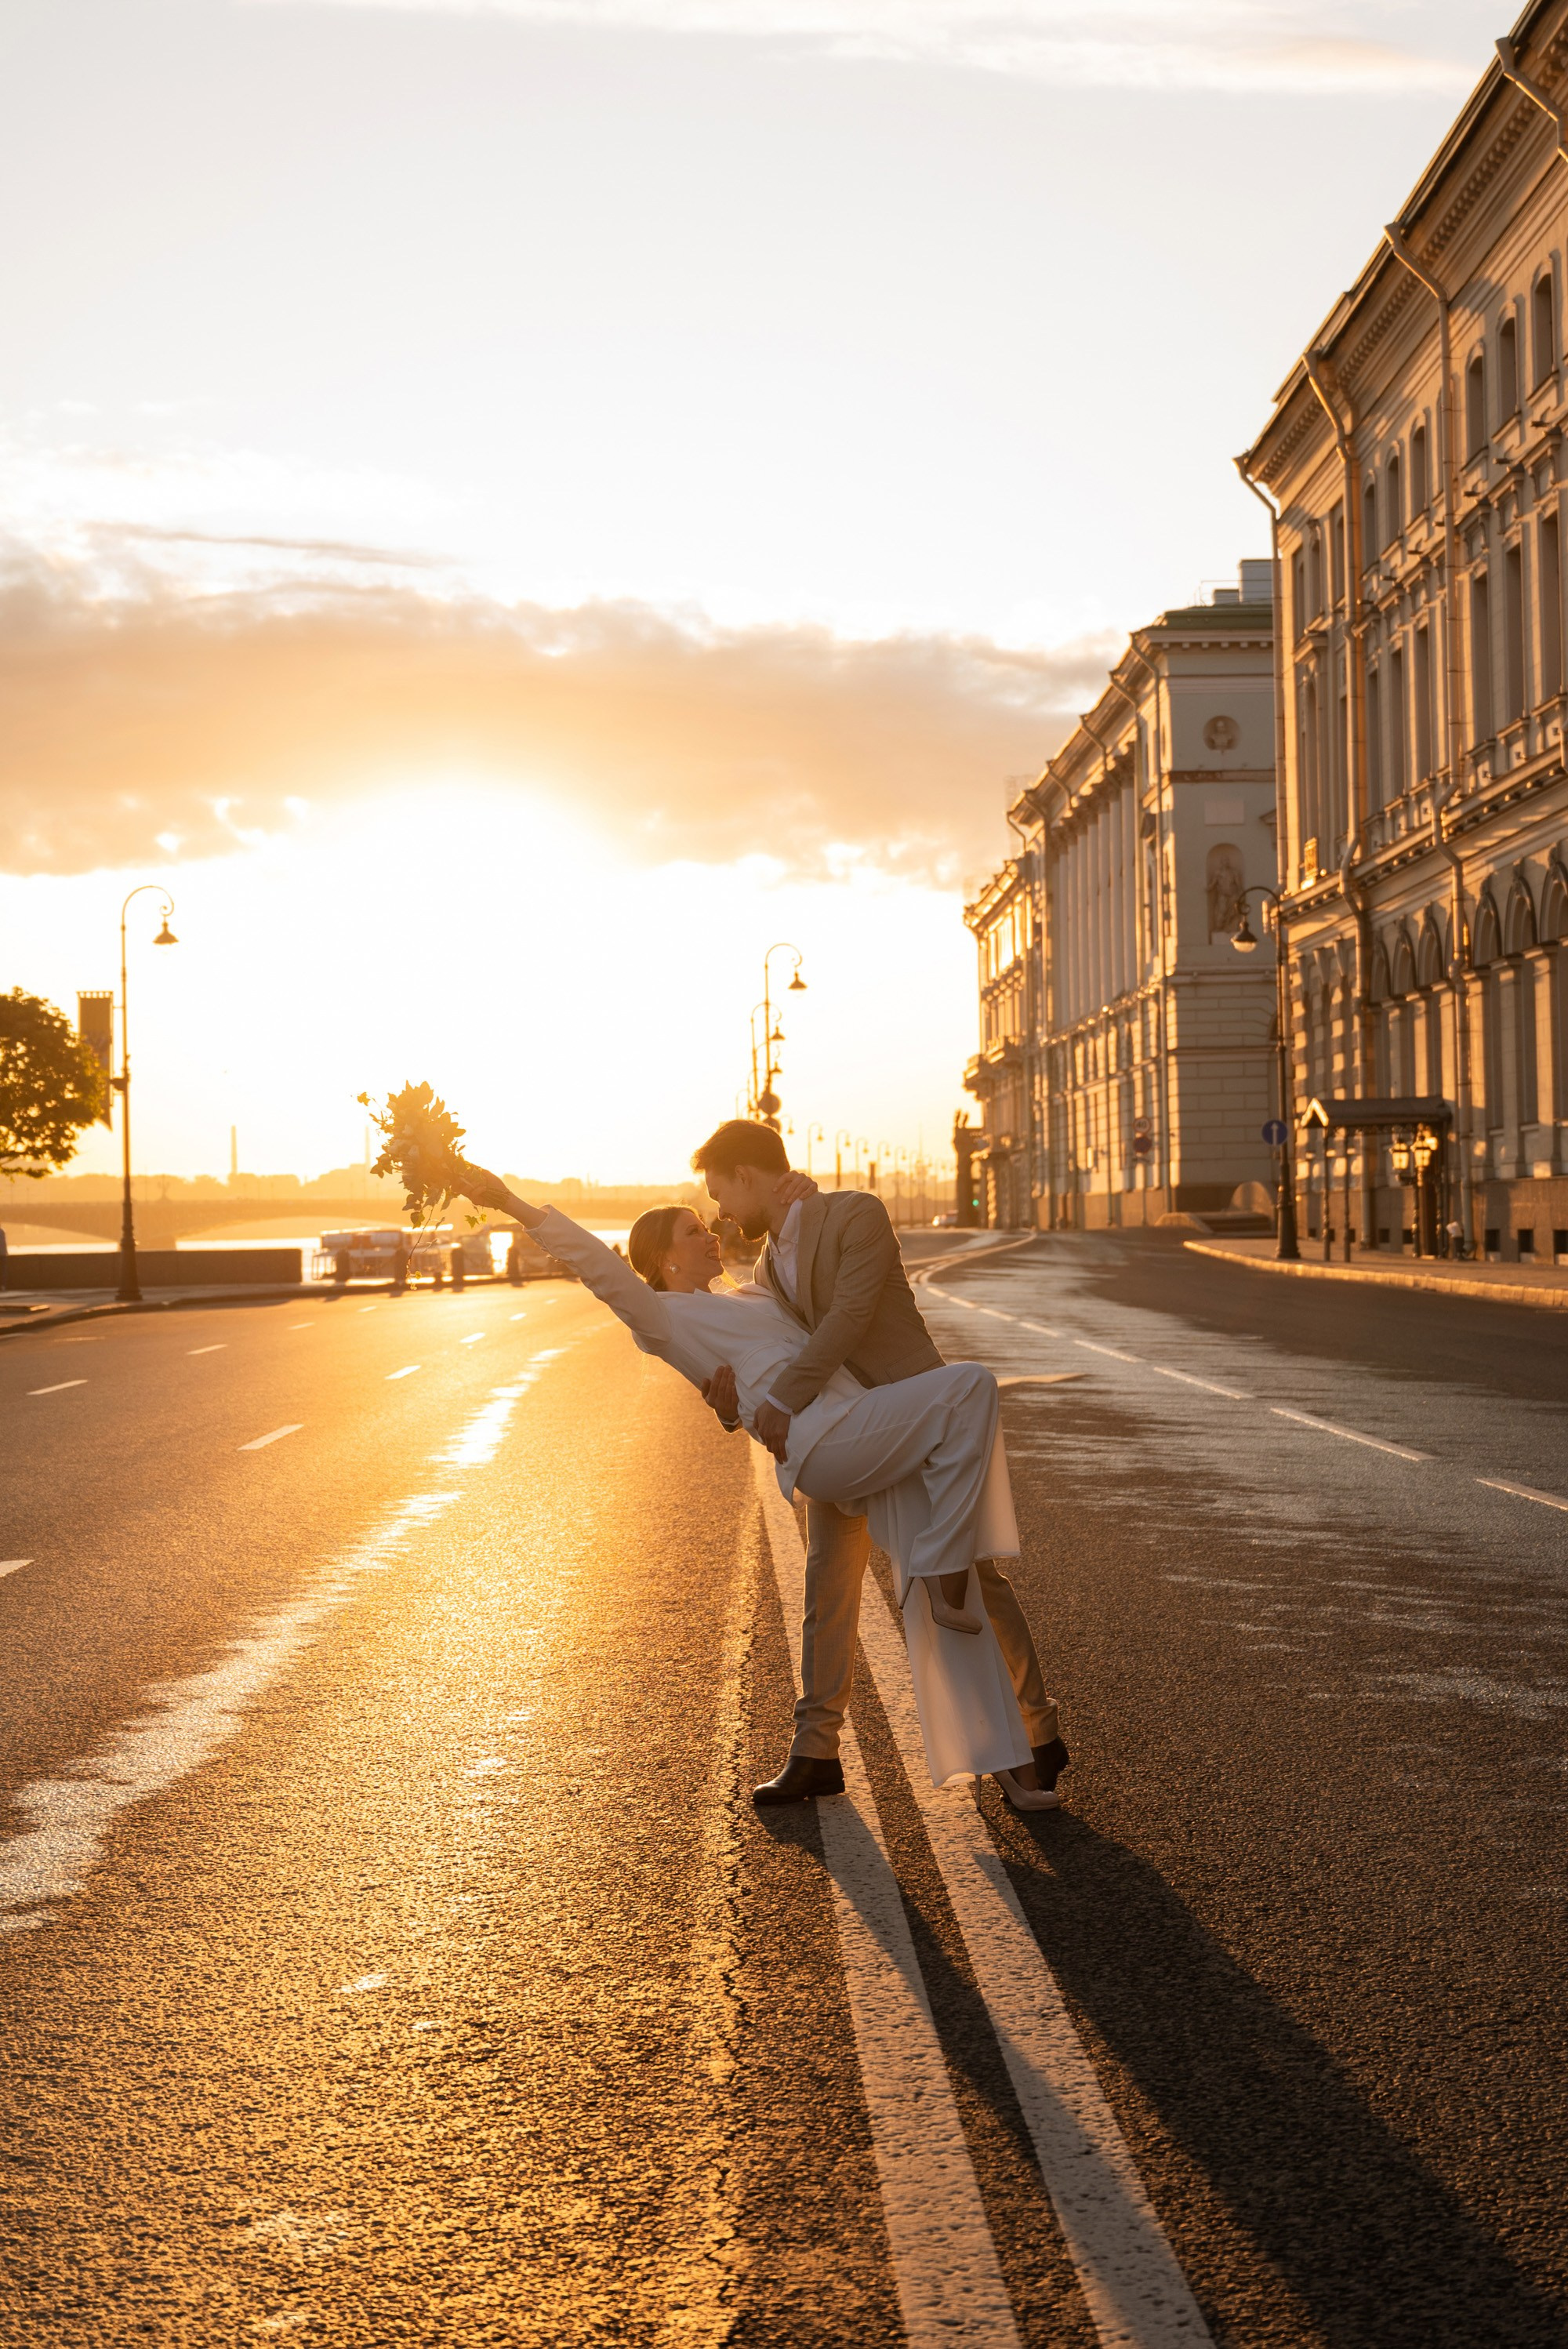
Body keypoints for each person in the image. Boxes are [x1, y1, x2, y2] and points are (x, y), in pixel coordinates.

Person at [453, 1157, 1055, 1810]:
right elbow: (596, 1265)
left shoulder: (753, 1293)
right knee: (968, 1392)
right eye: (691, 1229)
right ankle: (839, 1728)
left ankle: (1010, 1765)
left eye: (707, 1218)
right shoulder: (660, 1316)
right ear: (661, 1259)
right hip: (827, 1446)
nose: (711, 1231)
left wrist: (797, 1195)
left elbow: (793, 1264)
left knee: (948, 1599)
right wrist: (512, 1202)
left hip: (863, 1429)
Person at [691, 1120, 1069, 1808]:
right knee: (826, 1592)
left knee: (975, 1584)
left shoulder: (856, 1214)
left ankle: (1038, 1731)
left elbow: (851, 1316)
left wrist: (781, 1400)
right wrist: (732, 1404)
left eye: (720, 1193)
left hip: (910, 1418)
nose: (719, 1211)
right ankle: (815, 1752)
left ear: (747, 1176)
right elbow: (763, 1349)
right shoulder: (769, 1265)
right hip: (841, 1432)